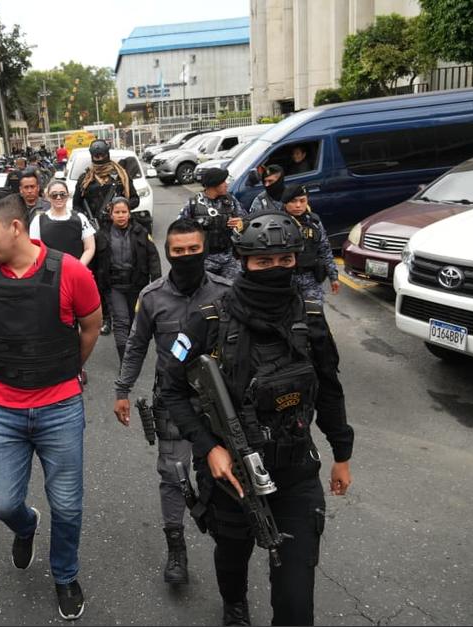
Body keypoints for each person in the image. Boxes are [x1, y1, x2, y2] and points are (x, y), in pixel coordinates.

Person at [159, 212, 354, 626]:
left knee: (296, 603)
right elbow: (171, 388)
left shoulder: (312, 318)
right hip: (230, 474)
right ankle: (234, 605)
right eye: (264, 262)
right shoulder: (209, 318)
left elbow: (330, 387)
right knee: (232, 556)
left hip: (296, 470)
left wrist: (342, 452)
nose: (275, 269)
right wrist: (208, 447)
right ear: (243, 260)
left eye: (285, 260)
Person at [0, 189, 102, 621]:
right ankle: (26, 525)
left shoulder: (70, 271)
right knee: (1, 503)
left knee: (69, 505)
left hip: (60, 406)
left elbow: (91, 326)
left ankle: (65, 575)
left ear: (15, 226)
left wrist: (64, 368)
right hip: (3, 410)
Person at [112, 219, 231, 585]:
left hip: (221, 402)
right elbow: (135, 346)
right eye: (177, 252)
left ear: (204, 249)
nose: (186, 257)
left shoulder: (228, 292)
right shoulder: (152, 297)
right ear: (167, 254)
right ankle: (176, 547)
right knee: (173, 475)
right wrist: (122, 390)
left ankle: (229, 542)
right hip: (173, 400)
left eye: (193, 250)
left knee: (225, 472)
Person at [73, 139, 139, 336]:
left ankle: (130, 316)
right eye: (97, 156)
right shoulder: (85, 179)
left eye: (102, 156)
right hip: (96, 234)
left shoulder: (120, 176)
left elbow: (134, 199)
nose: (100, 159)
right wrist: (87, 220)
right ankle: (107, 317)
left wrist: (120, 206)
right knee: (100, 277)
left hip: (120, 230)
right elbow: (76, 206)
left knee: (127, 271)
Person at [94, 197, 161, 363]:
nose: (121, 215)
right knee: (121, 321)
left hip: (136, 285)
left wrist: (157, 282)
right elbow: (93, 262)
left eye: (124, 212)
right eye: (117, 212)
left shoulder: (141, 233)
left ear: (129, 214)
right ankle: (126, 360)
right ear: (111, 215)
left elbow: (153, 257)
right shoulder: (101, 235)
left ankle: (133, 350)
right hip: (113, 286)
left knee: (133, 321)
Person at [179, 168, 244, 281]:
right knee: (205, 293)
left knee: (232, 292)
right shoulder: (193, 204)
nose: (226, 184)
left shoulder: (230, 201)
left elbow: (246, 219)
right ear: (215, 184)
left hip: (229, 258)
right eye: (223, 182)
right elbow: (179, 229)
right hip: (204, 259)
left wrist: (241, 223)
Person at [280, 184, 340, 304]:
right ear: (285, 202)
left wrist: (333, 277)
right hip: (285, 281)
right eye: (293, 201)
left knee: (315, 316)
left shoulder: (314, 222)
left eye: (302, 201)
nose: (298, 205)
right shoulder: (276, 222)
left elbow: (325, 249)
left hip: (311, 279)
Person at [29, 179, 96, 266]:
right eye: (54, 195)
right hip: (48, 272)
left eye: (62, 194)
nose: (58, 197)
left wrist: (79, 267)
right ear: (48, 197)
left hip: (75, 270)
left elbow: (90, 247)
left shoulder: (80, 218)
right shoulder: (38, 220)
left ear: (68, 196)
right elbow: (34, 250)